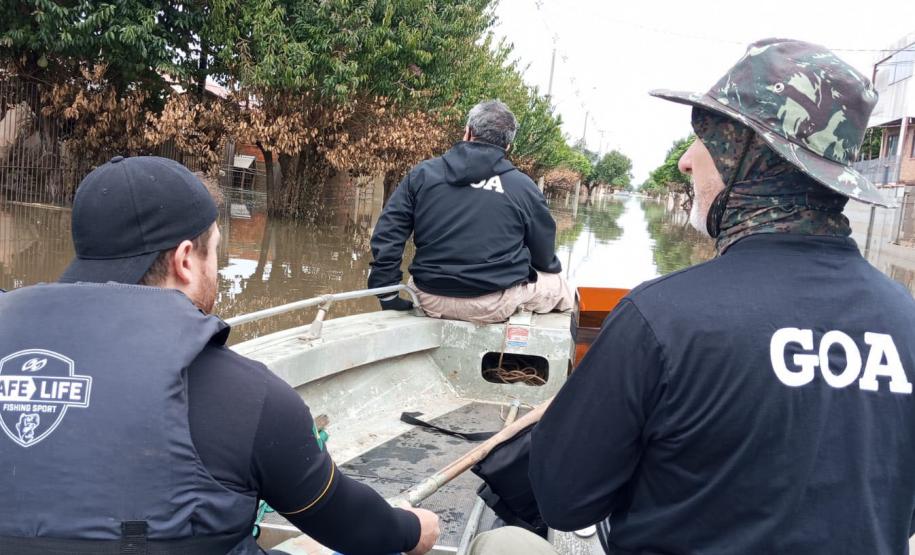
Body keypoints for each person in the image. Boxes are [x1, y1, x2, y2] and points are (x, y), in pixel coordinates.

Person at [479, 38, 915, 554]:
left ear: (748, 156)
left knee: (504, 544)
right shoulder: (907, 320)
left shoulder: (660, 318)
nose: (686, 162)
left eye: (704, 137)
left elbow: (565, 502)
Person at [0, 156, 440, 555]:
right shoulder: (250, 397)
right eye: (217, 250)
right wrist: (410, 529)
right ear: (186, 260)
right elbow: (350, 525)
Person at [368, 100, 573, 324]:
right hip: (493, 303)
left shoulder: (423, 174)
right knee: (561, 287)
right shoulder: (524, 187)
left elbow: (388, 232)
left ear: (467, 132)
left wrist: (387, 293)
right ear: (507, 147)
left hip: (428, 298)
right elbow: (544, 256)